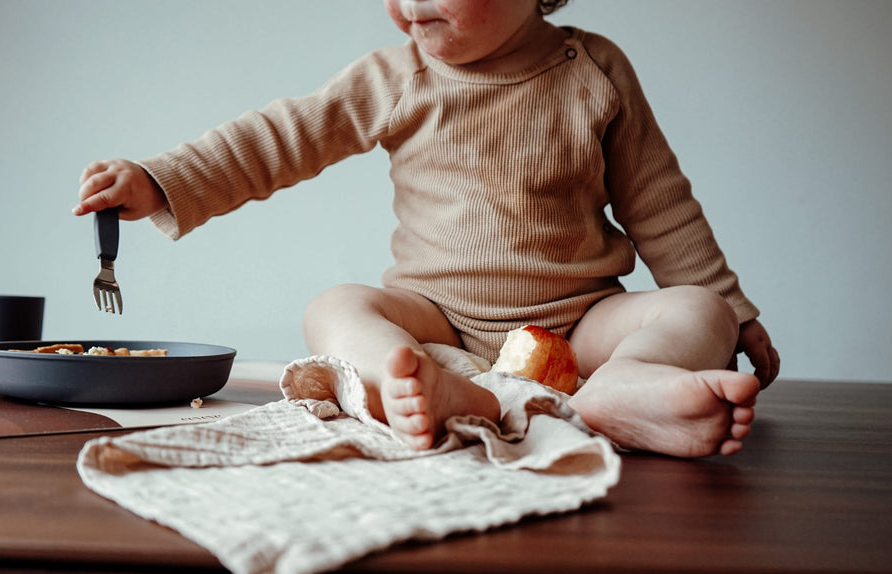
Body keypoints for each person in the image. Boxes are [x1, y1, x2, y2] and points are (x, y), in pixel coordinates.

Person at [73, 0, 781, 458]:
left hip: (581, 325)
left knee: (698, 309)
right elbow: (278, 138)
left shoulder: (593, 70)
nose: (407, 6)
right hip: (438, 326)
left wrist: (735, 316)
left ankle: (626, 387)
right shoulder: (396, 78)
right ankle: (411, 383)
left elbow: (658, 203)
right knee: (336, 306)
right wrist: (161, 177)